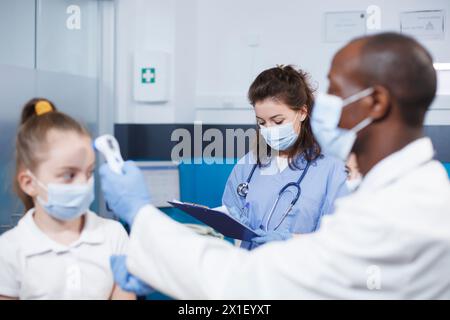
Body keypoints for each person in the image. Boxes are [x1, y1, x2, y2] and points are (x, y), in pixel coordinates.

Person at [100, 32, 450, 299]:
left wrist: (141, 215)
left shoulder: (402, 209)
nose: (324, 103)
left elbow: (257, 284)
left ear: (375, 102)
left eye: (334, 89)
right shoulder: (402, 188)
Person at [0, 99, 135, 300]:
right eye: (69, 175)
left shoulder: (114, 236)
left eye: (89, 172)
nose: (84, 184)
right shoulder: (9, 250)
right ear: (29, 183)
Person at [222, 65, 348, 249]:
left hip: (300, 273)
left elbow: (340, 238)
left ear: (302, 112)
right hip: (251, 270)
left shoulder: (331, 168)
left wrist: (293, 240)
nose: (270, 129)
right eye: (262, 122)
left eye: (278, 121)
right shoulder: (249, 165)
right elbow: (230, 214)